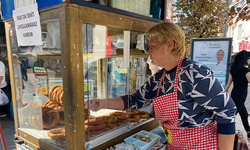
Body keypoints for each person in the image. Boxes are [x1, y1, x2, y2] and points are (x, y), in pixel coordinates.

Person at [85, 22, 236, 150]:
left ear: (170, 45)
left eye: (152, 46)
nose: (149, 51)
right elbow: (135, 99)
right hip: (174, 146)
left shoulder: (195, 74)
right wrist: (103, 103)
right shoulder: (159, 78)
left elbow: (227, 110)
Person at [225, 50, 250, 138]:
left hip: (234, 93)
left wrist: (224, 93)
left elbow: (228, 83)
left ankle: (249, 131)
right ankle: (223, 131)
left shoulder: (234, 69)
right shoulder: (246, 71)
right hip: (241, 96)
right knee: (230, 115)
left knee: (244, 115)